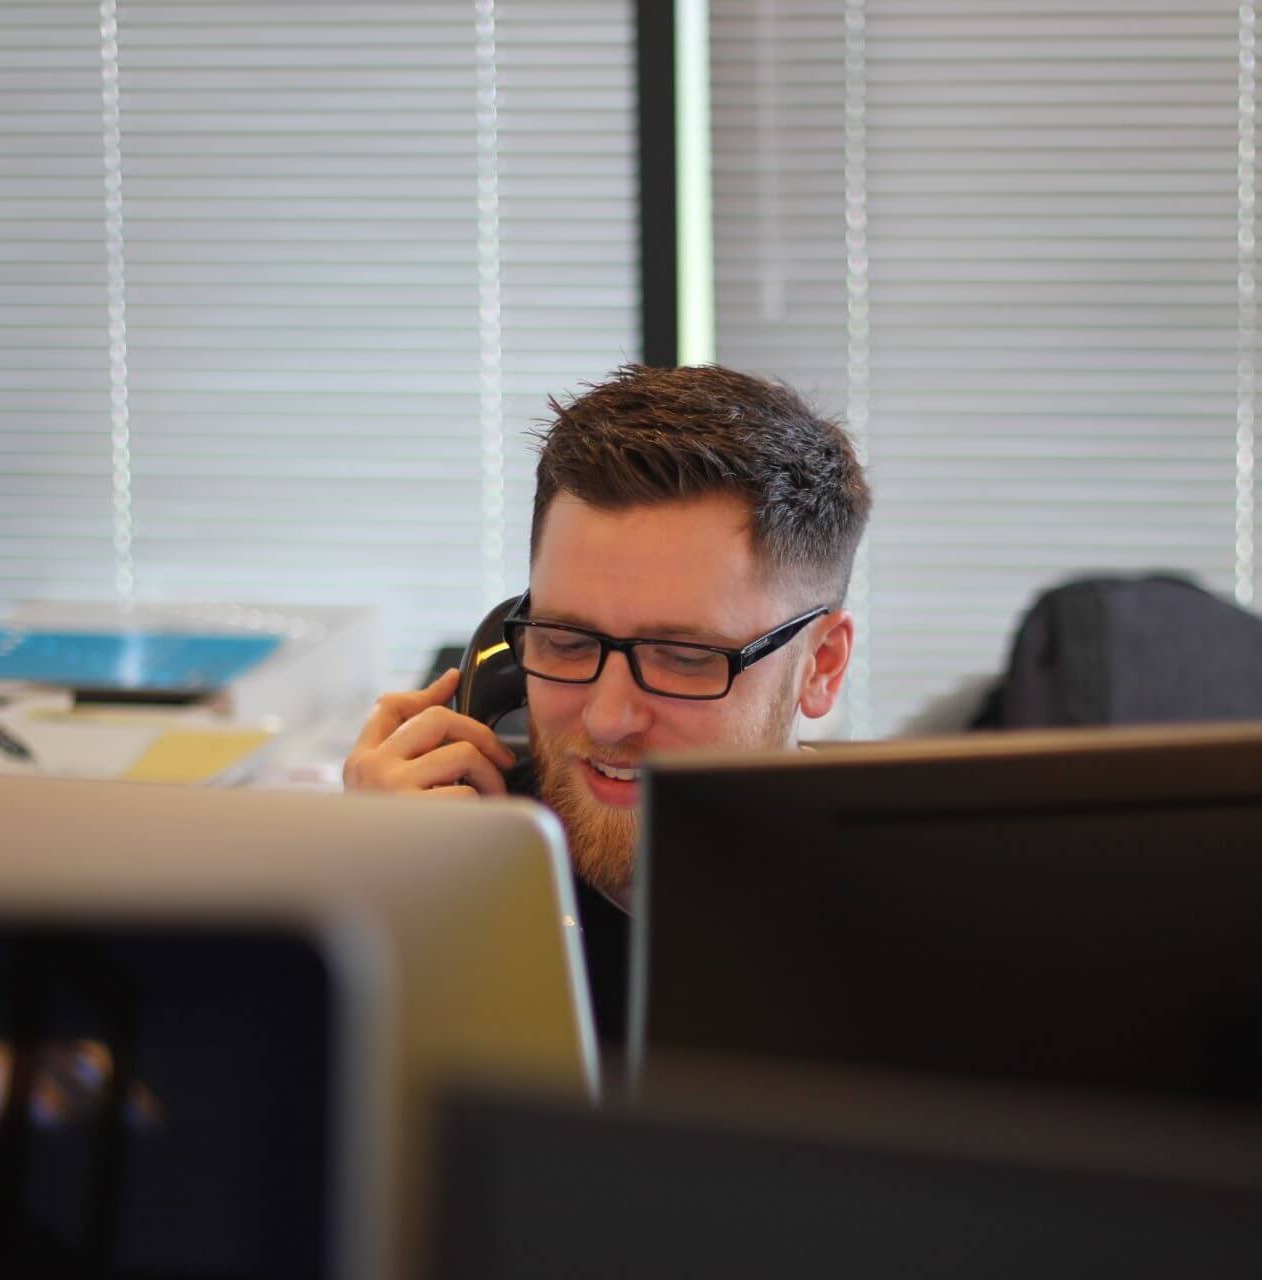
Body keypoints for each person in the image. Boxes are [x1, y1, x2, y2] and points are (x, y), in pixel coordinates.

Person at [343, 363, 871, 1042]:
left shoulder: (915, 935)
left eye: (683, 658)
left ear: (821, 665)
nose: (606, 718)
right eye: (565, 642)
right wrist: (365, 900)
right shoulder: (442, 865)